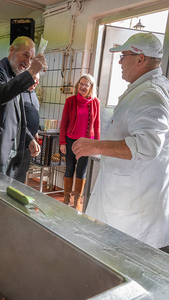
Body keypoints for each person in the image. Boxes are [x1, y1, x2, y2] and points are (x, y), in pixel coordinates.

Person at [72, 32, 169, 249]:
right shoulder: (146, 89)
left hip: (136, 215)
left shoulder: (149, 94)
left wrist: (94, 145)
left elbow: (147, 146)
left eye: (123, 56)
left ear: (140, 59)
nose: (119, 62)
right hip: (130, 205)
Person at [0, 36, 47, 178]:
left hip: (9, 153)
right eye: (25, 55)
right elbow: (0, 95)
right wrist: (31, 72)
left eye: (31, 59)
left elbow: (17, 117)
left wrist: (29, 139)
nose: (28, 62)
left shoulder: (15, 76)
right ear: (12, 50)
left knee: (2, 196)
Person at [59, 74, 100, 210]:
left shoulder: (95, 102)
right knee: (69, 168)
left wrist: (97, 146)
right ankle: (66, 198)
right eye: (81, 84)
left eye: (86, 85)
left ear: (91, 87)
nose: (82, 87)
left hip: (87, 143)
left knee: (81, 171)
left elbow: (97, 125)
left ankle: (76, 201)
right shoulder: (70, 101)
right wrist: (63, 142)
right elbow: (64, 123)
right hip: (71, 140)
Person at [14, 73, 40, 183]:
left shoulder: (33, 94)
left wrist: (36, 132)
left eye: (38, 80)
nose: (36, 82)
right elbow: (17, 120)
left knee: (22, 172)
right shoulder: (18, 93)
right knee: (13, 172)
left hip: (29, 143)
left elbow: (35, 114)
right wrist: (30, 138)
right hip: (18, 140)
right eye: (34, 79)